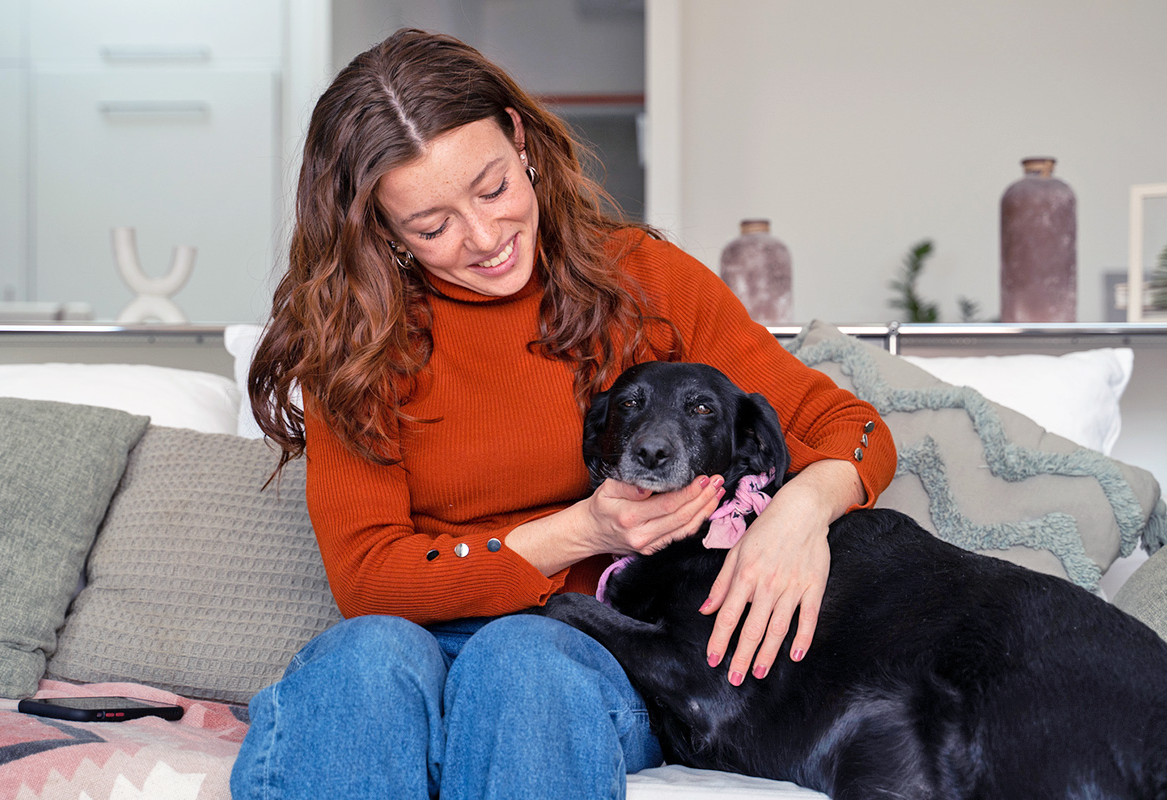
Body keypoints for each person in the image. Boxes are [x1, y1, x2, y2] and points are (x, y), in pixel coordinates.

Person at [231, 28, 896, 800]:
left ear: (520, 141)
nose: (484, 240)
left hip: (571, 661)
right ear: (377, 226)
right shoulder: (354, 344)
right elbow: (369, 579)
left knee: (524, 656)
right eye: (432, 226)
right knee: (364, 659)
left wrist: (802, 513)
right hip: (408, 647)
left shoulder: (647, 280)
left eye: (492, 189)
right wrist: (585, 531)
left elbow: (857, 428)